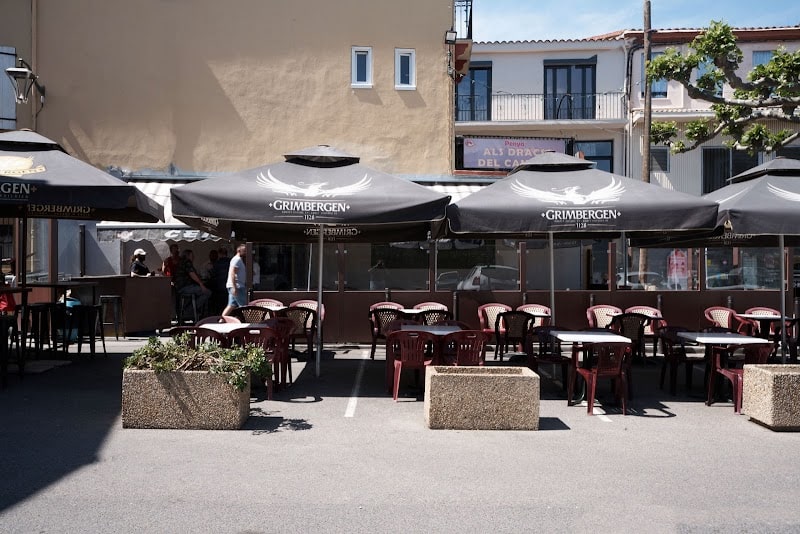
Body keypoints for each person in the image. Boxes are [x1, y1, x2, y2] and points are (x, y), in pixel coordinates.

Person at [174, 249, 211, 318]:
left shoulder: (180, 262)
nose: (193, 257)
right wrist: (201, 284)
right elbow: (192, 274)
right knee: (207, 292)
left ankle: (193, 311)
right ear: (188, 255)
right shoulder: (187, 262)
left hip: (180, 287)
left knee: (198, 293)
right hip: (185, 287)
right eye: (192, 255)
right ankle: (190, 310)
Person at [222, 244, 247, 316]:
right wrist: (234, 287)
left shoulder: (237, 259)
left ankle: (221, 320)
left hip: (234, 285)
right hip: (238, 286)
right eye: (244, 251)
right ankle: (248, 323)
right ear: (239, 250)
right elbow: (233, 273)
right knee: (244, 306)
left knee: (231, 305)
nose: (246, 252)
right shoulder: (237, 259)